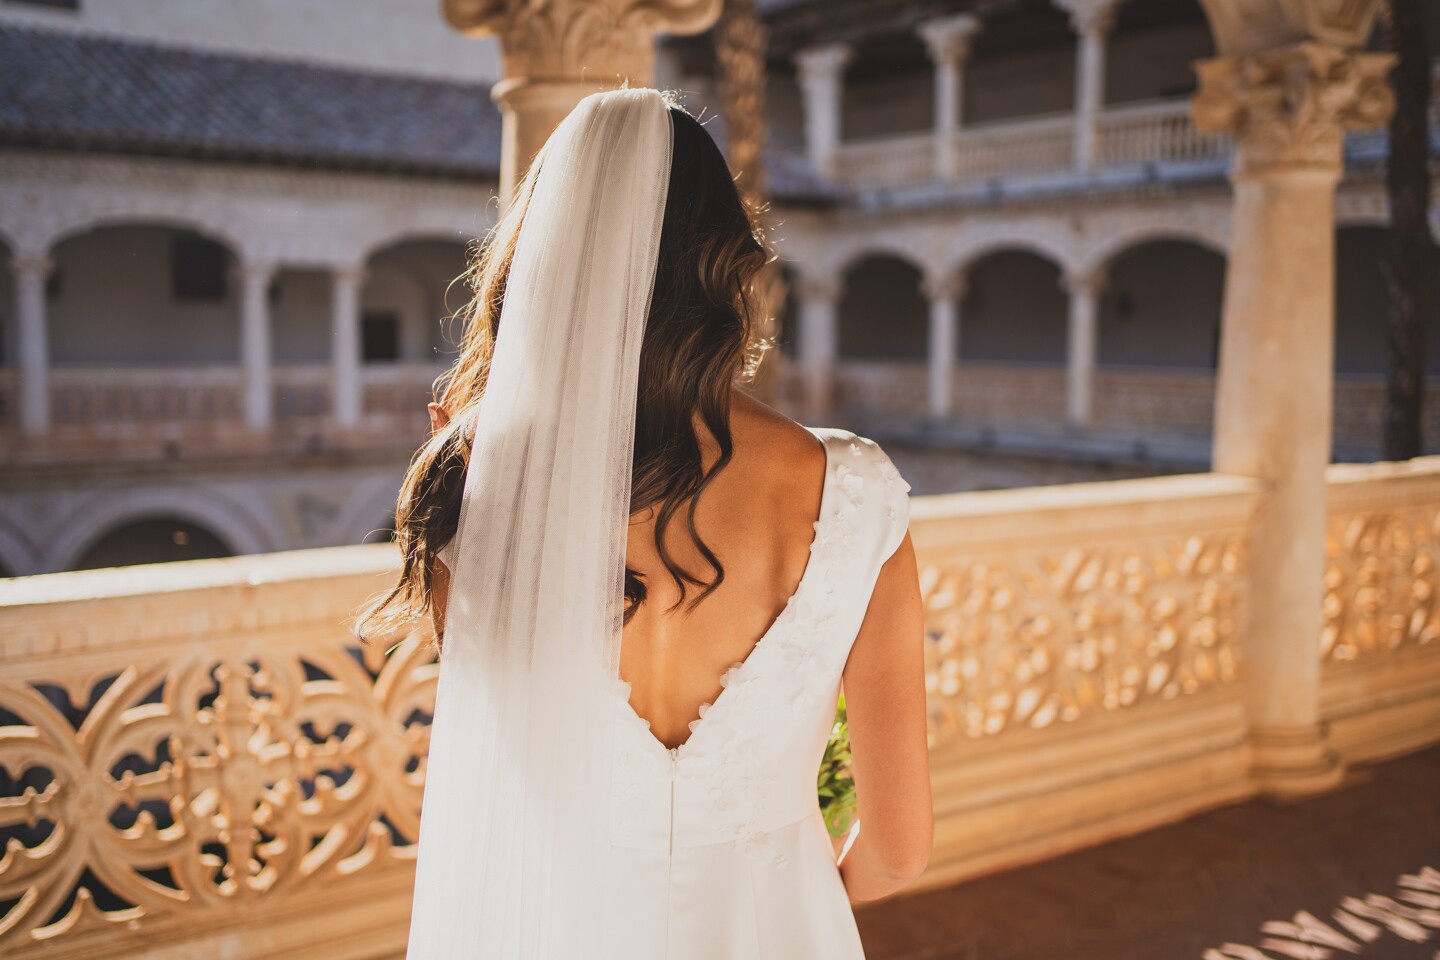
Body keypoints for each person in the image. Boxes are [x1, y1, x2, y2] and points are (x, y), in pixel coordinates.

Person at [355, 88, 931, 959]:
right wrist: (789, 894)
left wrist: (471, 487)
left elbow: (503, 726)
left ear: (541, 269)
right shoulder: (850, 492)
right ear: (724, 267)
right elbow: (896, 851)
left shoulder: (480, 478)